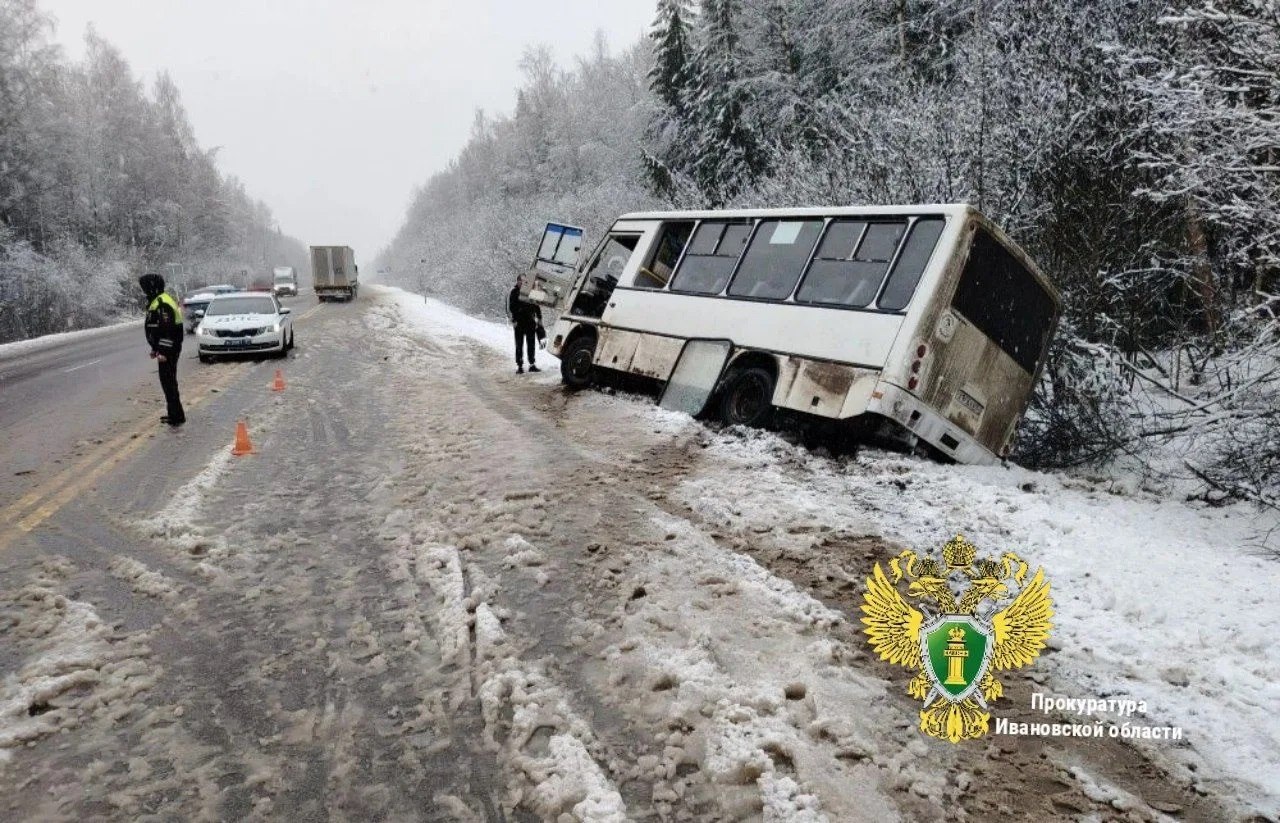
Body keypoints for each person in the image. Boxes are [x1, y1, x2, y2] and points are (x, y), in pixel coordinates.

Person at [139, 273, 185, 426]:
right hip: (166, 349)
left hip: (169, 350)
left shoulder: (162, 303)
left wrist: (163, 351)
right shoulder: (158, 301)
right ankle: (174, 413)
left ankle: (176, 416)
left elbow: (168, 330)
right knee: (168, 382)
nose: (143, 291)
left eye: (145, 287)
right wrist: (155, 348)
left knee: (169, 382)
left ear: (152, 287)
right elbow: (157, 328)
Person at [507, 279, 543, 374]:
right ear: (517, 281)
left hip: (530, 322)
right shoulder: (514, 292)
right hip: (519, 323)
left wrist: (539, 318)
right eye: (520, 281)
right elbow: (510, 307)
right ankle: (520, 366)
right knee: (519, 345)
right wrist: (514, 320)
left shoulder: (530, 291)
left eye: (524, 281)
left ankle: (532, 365)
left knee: (531, 344)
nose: (522, 283)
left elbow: (536, 305)